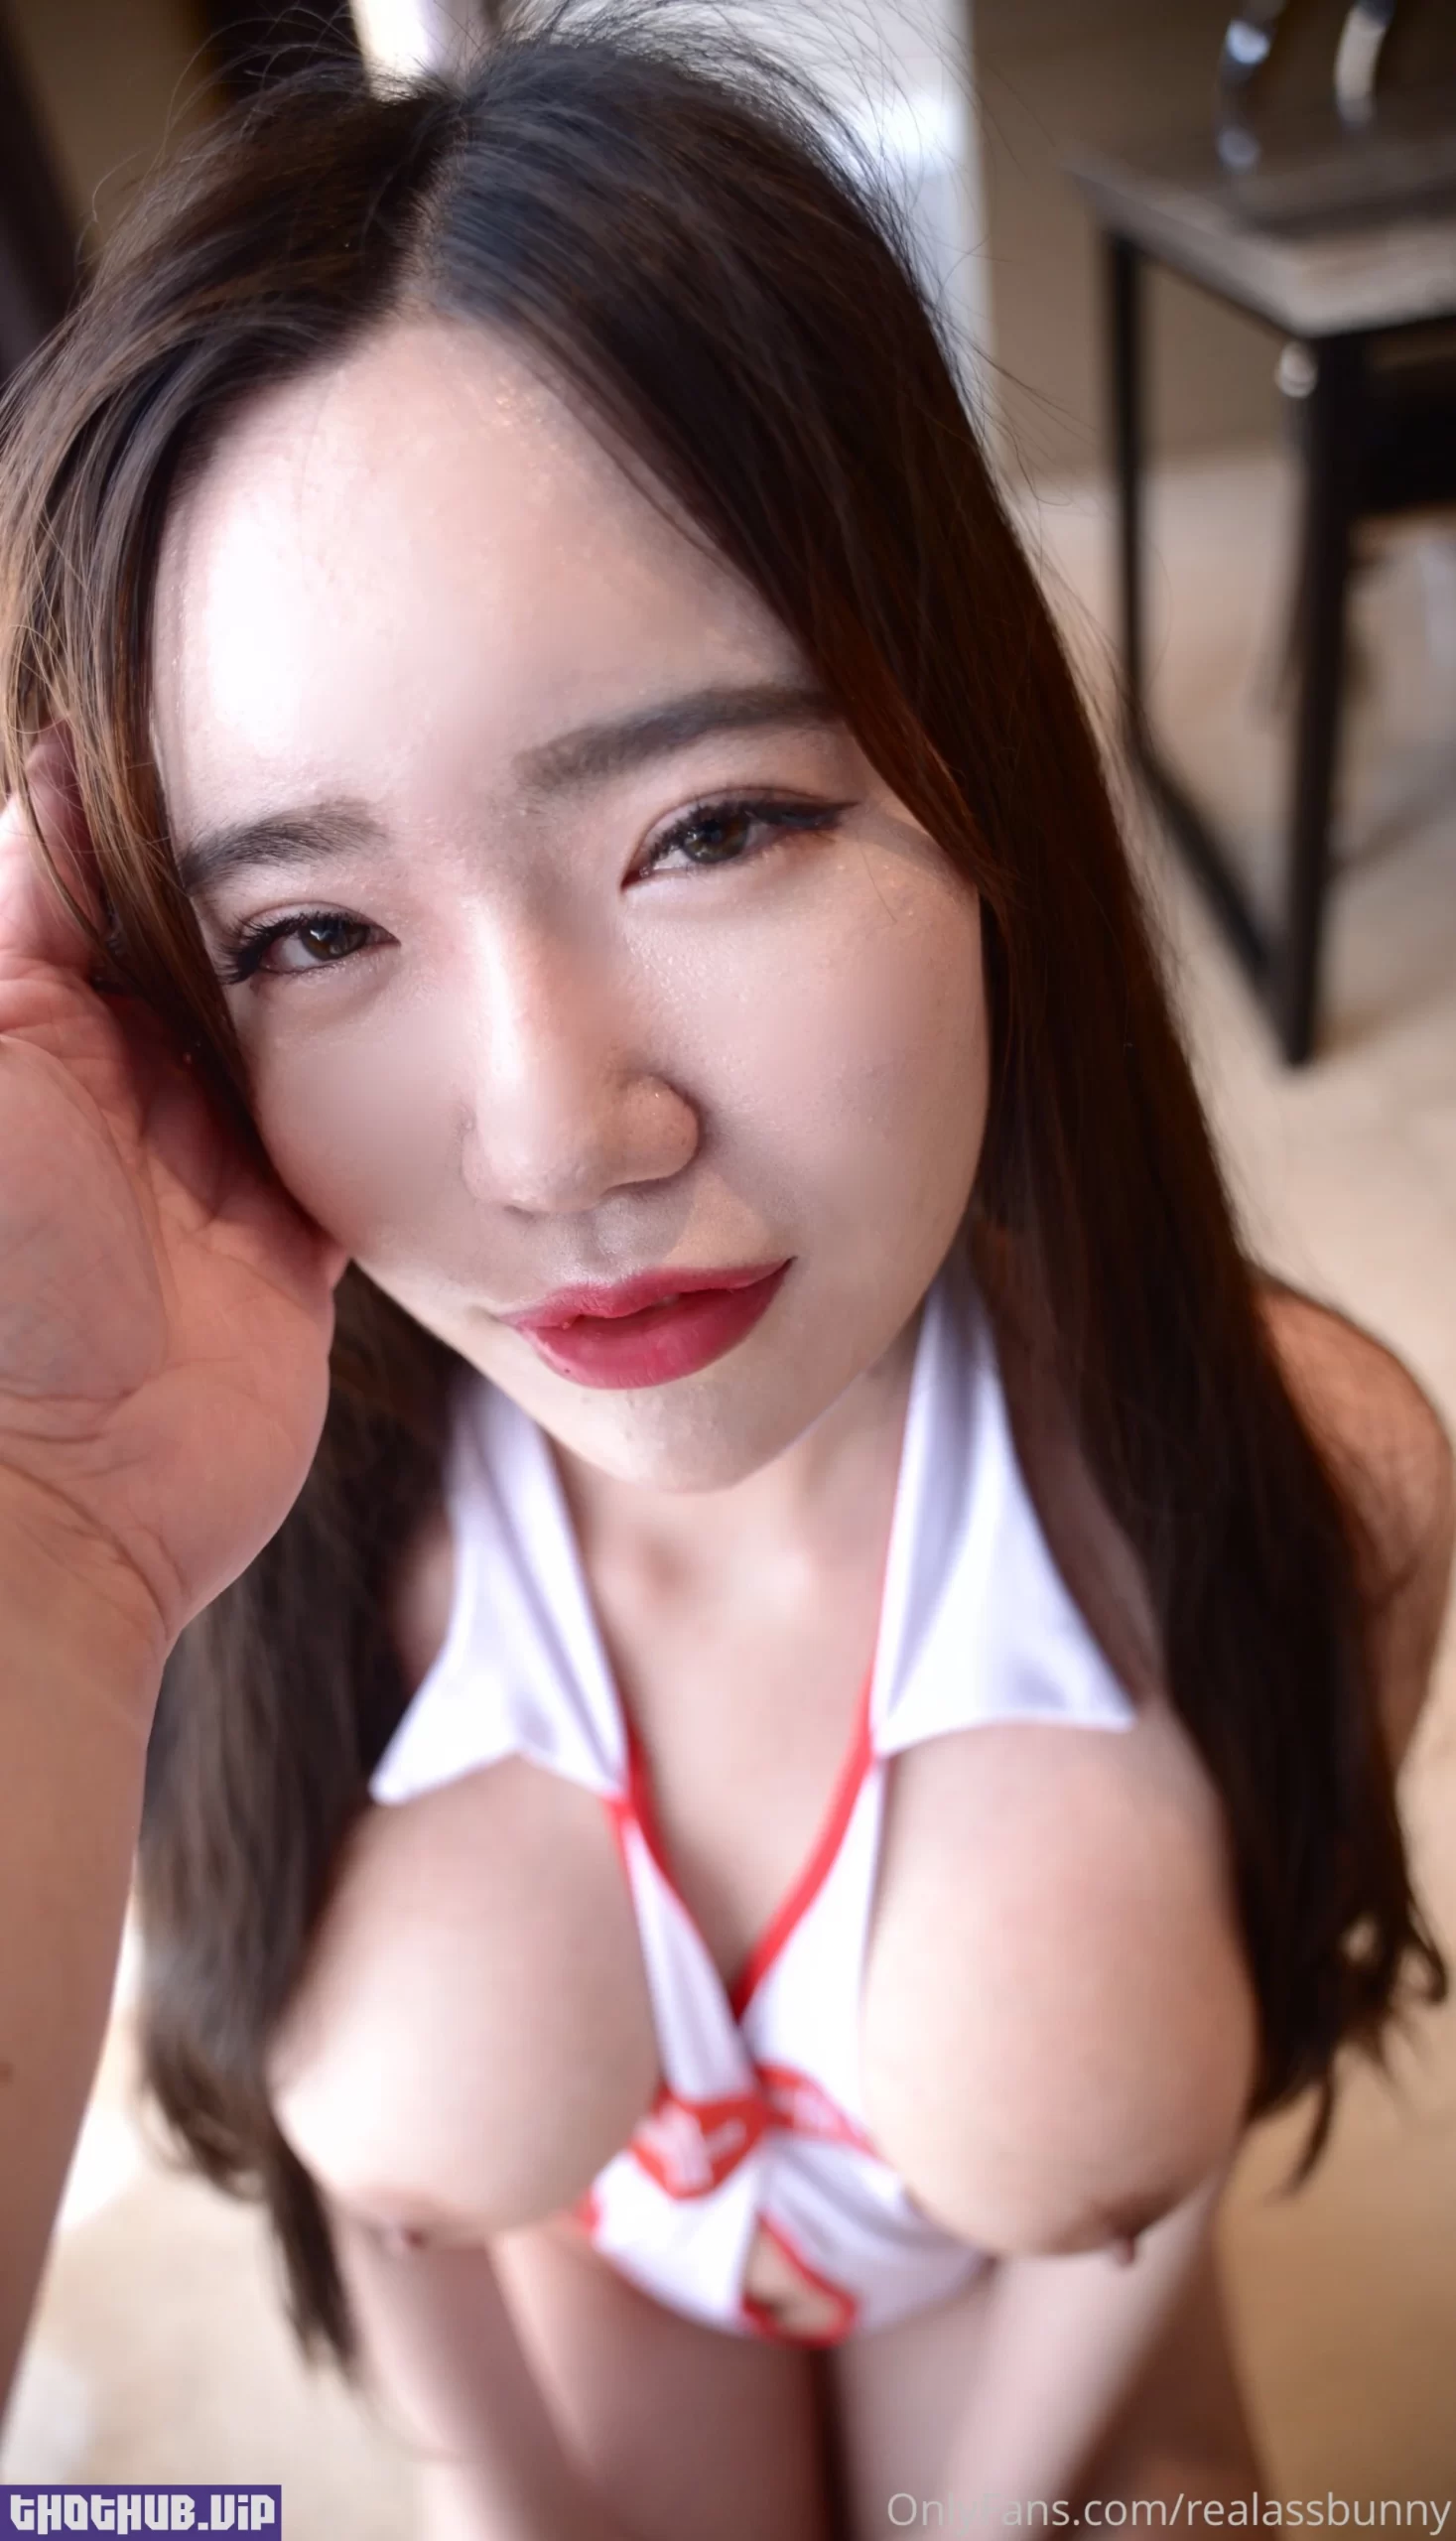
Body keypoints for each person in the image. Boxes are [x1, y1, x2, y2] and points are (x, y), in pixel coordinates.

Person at [0, 6, 1451, 2531]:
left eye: (711, 825)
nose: (560, 1139)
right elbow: (389, 2208)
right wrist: (46, 1527)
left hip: (1034, 2330)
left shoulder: (1294, 1470)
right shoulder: (229, 1527)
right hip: (603, 2325)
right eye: (312, 925)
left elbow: (1190, 2109)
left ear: (981, 786)